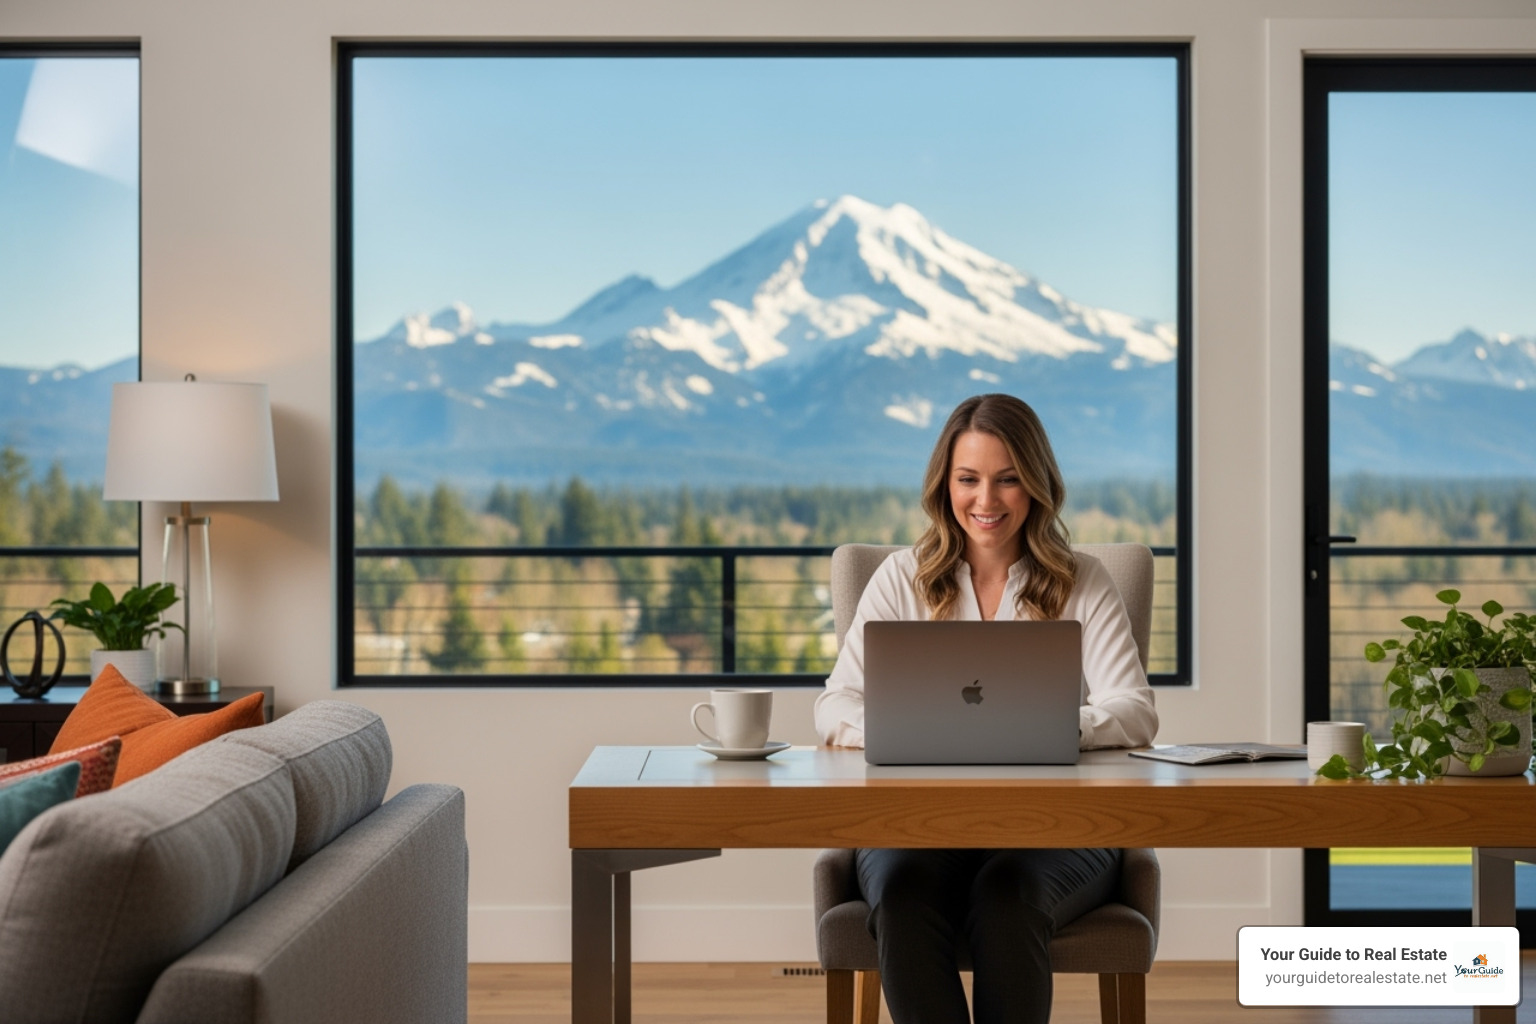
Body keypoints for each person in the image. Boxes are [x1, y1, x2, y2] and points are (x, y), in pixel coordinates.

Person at [813, 393, 1158, 1024]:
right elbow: (835, 704)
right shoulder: (900, 577)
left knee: (1008, 898)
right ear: (944, 486)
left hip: (1054, 830)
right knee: (902, 896)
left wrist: (1047, 730)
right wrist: (904, 730)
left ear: (1037, 484)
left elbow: (1134, 709)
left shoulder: (1084, 580)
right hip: (913, 826)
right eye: (968, 480)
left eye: (1008, 480)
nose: (987, 501)